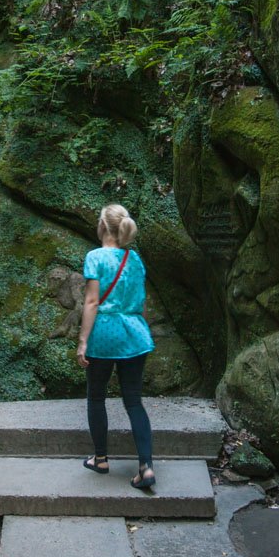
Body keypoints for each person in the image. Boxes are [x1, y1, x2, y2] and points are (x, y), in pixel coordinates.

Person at [76, 203, 157, 489]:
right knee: (133, 400)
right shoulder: (135, 260)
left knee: (96, 397)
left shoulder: (95, 257)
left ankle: (100, 459)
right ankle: (146, 467)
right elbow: (140, 300)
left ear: (102, 227)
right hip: (135, 333)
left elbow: (92, 302)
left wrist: (83, 340)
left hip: (105, 334)